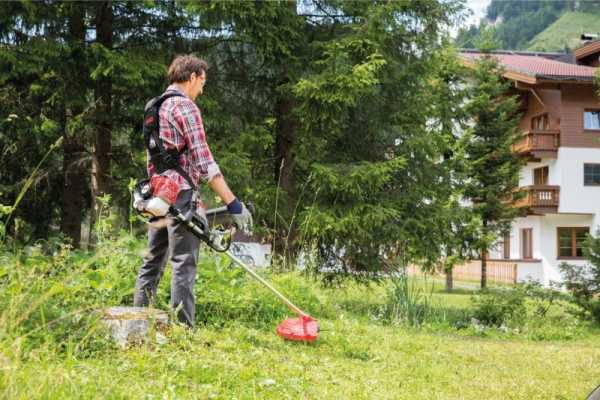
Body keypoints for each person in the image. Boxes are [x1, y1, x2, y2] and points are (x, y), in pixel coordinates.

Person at [133, 54, 252, 327]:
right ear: (193, 76)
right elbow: (204, 161)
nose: (203, 88)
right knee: (184, 263)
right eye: (203, 81)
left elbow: (154, 157)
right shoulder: (185, 107)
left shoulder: (156, 106)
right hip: (182, 195)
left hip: (160, 196)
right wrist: (232, 203)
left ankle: (137, 323)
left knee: (153, 260)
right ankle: (184, 331)